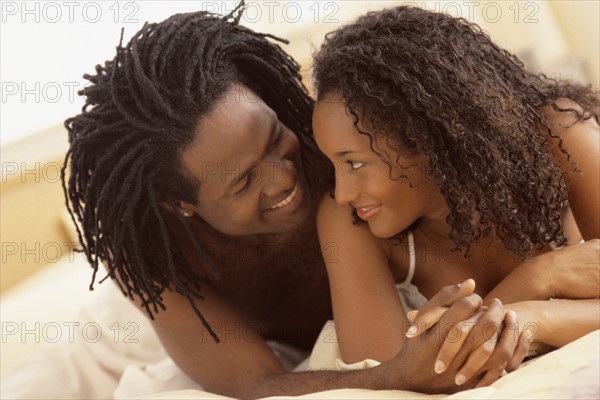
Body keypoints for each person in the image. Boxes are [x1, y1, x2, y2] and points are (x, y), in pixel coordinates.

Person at [56, 3, 521, 399]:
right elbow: (255, 382)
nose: (284, 178)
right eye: (242, 182)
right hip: (218, 350)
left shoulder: (337, 150)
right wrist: (396, 374)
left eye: (273, 137)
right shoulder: (157, 258)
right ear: (180, 204)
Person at [312, 4, 599, 389]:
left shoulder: (557, 133)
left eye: (355, 163)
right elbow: (391, 379)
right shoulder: (346, 220)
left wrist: (535, 318)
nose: (343, 192)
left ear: (431, 141)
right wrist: (534, 281)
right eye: (333, 164)